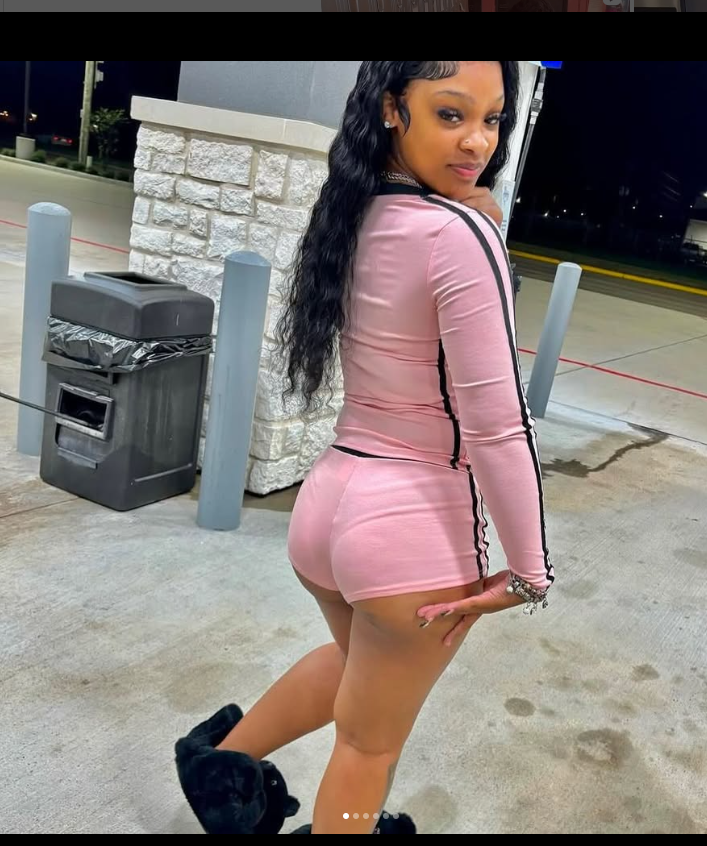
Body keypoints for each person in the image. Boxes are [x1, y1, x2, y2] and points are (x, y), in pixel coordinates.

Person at [175, 61, 554, 835]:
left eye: (491, 119)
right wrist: (529, 571)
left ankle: (223, 775)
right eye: (450, 114)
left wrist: (479, 222)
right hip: (412, 533)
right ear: (391, 107)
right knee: (368, 746)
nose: (477, 141)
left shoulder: (353, 212)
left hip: (327, 511)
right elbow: (495, 424)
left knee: (359, 671)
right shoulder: (458, 236)